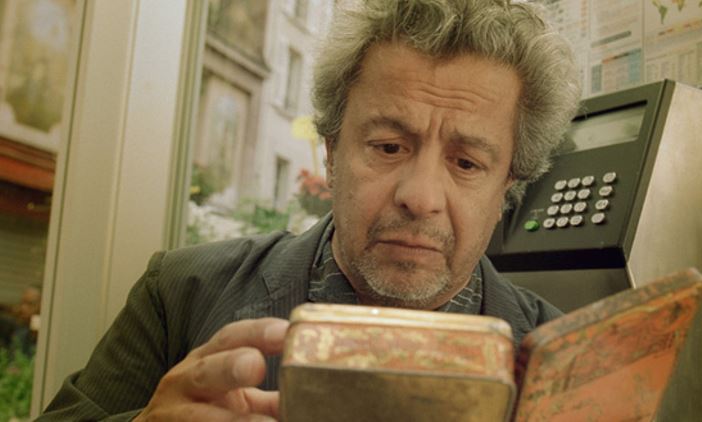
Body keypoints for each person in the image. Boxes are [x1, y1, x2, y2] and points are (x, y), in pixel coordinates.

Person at [40, 0, 580, 420]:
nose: (421, 197)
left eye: (466, 162)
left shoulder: (567, 361)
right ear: (331, 152)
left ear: (507, 186)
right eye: (389, 147)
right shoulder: (180, 293)